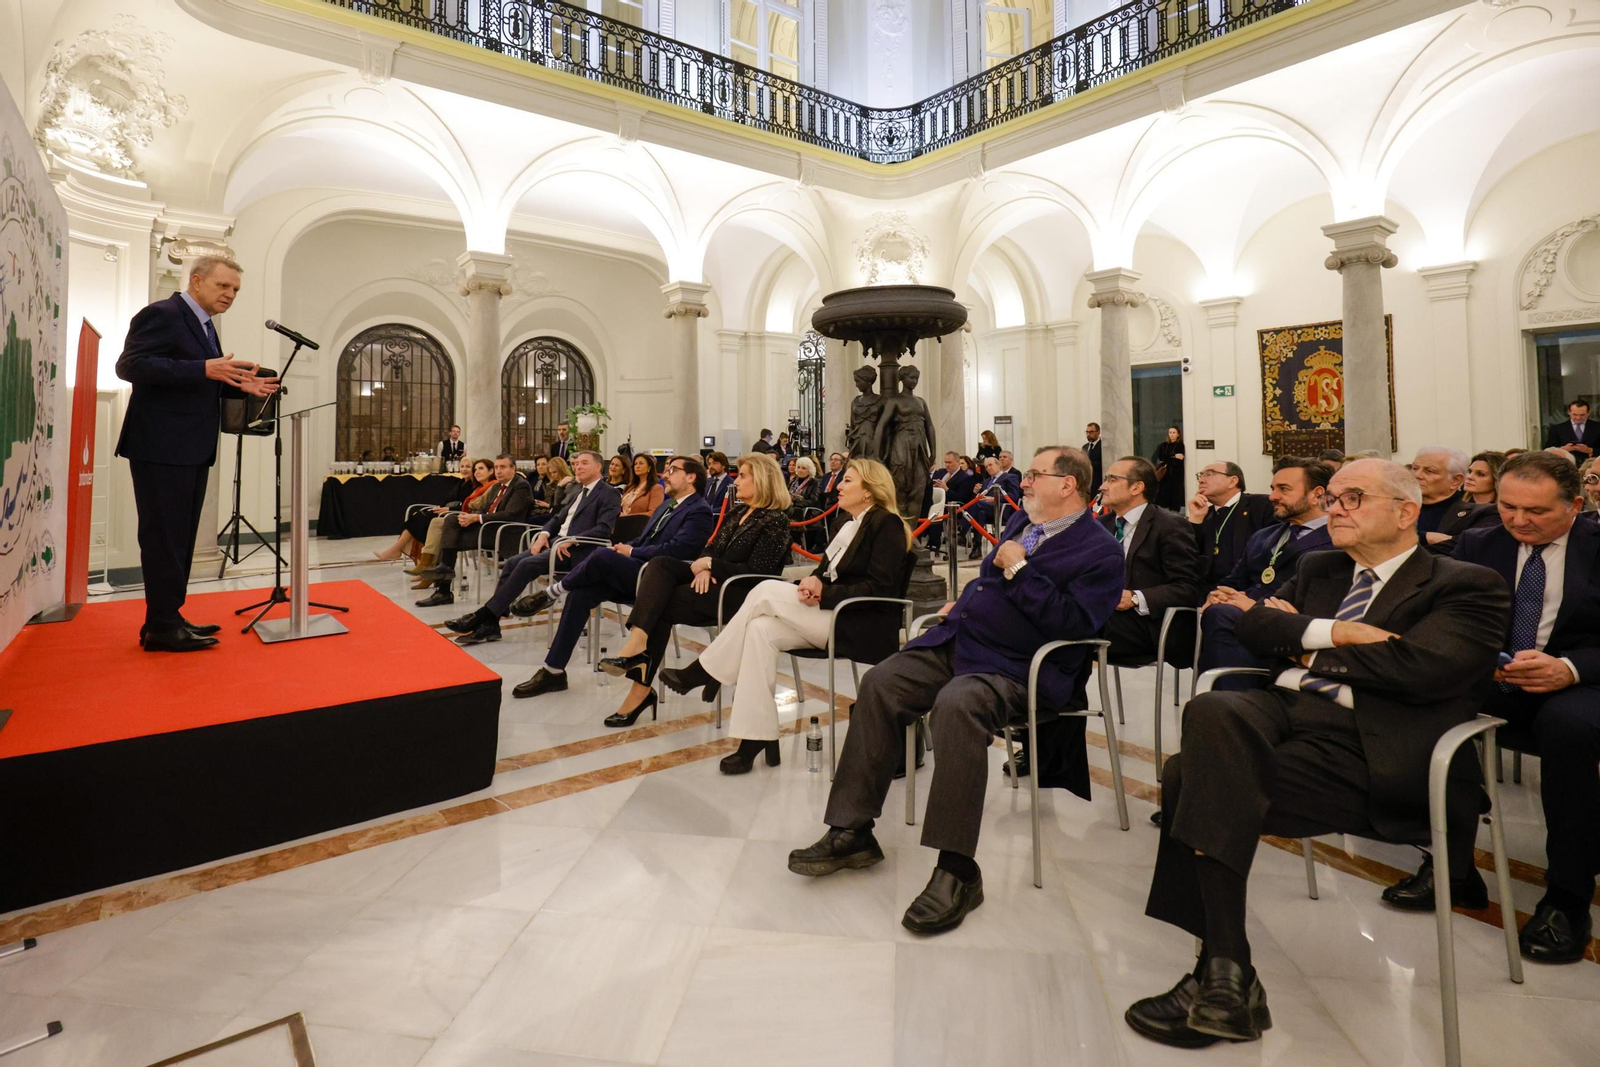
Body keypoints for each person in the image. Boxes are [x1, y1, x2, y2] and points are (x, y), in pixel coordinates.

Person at [1125, 459, 1510, 1049]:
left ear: (1407, 513)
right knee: (1211, 710)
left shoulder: (1465, 583)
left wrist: (1302, 639)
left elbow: (1422, 671)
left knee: (1187, 775)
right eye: (1332, 497)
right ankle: (1227, 972)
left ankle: (1222, 974)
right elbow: (1249, 627)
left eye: (1354, 497)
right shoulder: (1321, 566)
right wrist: (1340, 632)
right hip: (1282, 718)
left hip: (1375, 745)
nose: (1335, 508)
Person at [784, 447, 1123, 934]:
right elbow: (985, 585)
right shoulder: (1019, 526)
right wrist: (958, 606)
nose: (1024, 483)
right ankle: (852, 829)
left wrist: (1020, 570)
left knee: (957, 705)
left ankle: (958, 869)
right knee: (881, 682)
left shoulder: (1100, 550)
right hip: (962, 641)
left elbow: (1073, 623)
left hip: (1017, 666)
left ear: (1067, 485)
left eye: (1033, 474)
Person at [1384, 452, 1600, 962]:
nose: (1520, 521)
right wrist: (1480, 657)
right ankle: (1454, 867)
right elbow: (1446, 615)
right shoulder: (1481, 544)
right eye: (1508, 507)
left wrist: (1568, 668)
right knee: (1427, 704)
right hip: (1497, 674)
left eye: (1537, 512)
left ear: (1575, 503)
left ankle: (1568, 897)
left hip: (1578, 681)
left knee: (1571, 730)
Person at [661, 459, 910, 768]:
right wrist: (809, 584)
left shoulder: (887, 524)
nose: (839, 487)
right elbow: (824, 573)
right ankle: (756, 737)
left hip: (858, 622)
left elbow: (879, 588)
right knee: (760, 630)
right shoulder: (845, 524)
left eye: (847, 481)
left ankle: (704, 671)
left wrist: (823, 592)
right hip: (828, 614)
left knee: (764, 589)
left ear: (870, 491)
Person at [115, 255, 279, 652]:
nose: (230, 295)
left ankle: (168, 616)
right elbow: (130, 366)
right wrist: (204, 370)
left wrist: (240, 385)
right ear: (197, 280)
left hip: (190, 447)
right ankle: (161, 627)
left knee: (181, 538)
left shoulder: (205, 327)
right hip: (161, 446)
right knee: (163, 537)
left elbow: (202, 376)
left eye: (236, 290)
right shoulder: (164, 313)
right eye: (223, 286)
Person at [595, 454, 794, 730]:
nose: (737, 482)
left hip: (738, 594)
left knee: (659, 606)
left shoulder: (775, 521)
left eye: (744, 476)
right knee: (660, 564)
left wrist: (712, 565)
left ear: (763, 480)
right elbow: (710, 548)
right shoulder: (738, 512)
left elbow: (759, 572)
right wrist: (704, 568)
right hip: (712, 580)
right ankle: (636, 649)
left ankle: (638, 682)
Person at [510, 456, 715, 697]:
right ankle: (553, 671)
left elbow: (678, 549)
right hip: (637, 570)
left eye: (672, 470)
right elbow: (643, 539)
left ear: (691, 477)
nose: (665, 474)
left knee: (601, 556)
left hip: (658, 580)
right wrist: (624, 547)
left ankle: (551, 593)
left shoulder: (699, 511)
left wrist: (632, 552)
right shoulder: (667, 505)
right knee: (581, 593)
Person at [444, 450, 622, 645]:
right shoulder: (580, 492)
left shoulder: (609, 493)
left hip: (578, 550)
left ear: (598, 466)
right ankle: (491, 625)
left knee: (526, 565)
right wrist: (544, 534)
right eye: (577, 463)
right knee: (512, 563)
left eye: (584, 463)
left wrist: (573, 539)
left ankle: (483, 616)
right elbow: (557, 519)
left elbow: (604, 529)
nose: (578, 467)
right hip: (556, 544)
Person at [1196, 456, 1333, 682]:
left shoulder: (1336, 540)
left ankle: (1230, 702)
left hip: (1291, 637)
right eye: (1272, 488)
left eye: (1284, 489)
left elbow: (1318, 604)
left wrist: (1256, 608)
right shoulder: (1264, 536)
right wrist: (1218, 594)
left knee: (1222, 615)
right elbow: (1234, 581)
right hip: (1243, 628)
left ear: (1317, 494)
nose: (1272, 496)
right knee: (1218, 610)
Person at [1099, 455, 1204, 662]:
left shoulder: (1169, 525)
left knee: (1064, 628)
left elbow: (1187, 588)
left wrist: (1135, 597)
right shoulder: (1101, 526)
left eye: (1112, 479)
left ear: (1136, 487)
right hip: (1103, 614)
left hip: (1147, 624)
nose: (1102, 486)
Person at [415, 454, 534, 605]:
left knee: (449, 539)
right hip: (488, 528)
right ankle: (444, 575)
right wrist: (469, 518)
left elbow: (510, 514)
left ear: (513, 468)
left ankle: (443, 590)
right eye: (496, 467)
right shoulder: (496, 486)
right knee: (451, 521)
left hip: (505, 532)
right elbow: (484, 509)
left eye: (502, 467)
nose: (498, 471)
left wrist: (477, 518)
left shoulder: (520, 485)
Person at [375, 454, 482, 563]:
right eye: (462, 466)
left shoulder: (474, 486)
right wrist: (440, 507)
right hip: (446, 511)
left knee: (422, 518)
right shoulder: (460, 483)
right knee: (417, 515)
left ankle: (399, 550)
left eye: (467, 467)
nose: (464, 469)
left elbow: (467, 505)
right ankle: (411, 554)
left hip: (456, 514)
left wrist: (447, 510)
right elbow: (448, 499)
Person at [1186, 461, 1274, 590]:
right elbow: (1188, 560)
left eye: (1209, 474)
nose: (1201, 480)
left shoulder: (1261, 506)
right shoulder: (1204, 514)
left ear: (1232, 481)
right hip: (1208, 592)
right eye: (1200, 475)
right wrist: (1195, 520)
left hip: (1249, 589)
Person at [1410, 446, 1498, 553]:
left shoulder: (1481, 513)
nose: (1417, 475)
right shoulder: (1396, 506)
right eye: (1415, 468)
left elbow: (1465, 547)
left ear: (1455, 481)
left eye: (1429, 471)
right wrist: (1425, 537)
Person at [1152, 425, 1187, 512]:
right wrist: (1173, 456)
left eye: (1174, 433)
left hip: (1176, 474)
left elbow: (1179, 460)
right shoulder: (1163, 445)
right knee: (1163, 492)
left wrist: (1169, 458)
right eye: (1170, 433)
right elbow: (1159, 457)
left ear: (1178, 434)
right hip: (1165, 473)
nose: (1171, 435)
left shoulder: (1180, 445)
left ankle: (1174, 511)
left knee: (1175, 493)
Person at [621, 452, 665, 517]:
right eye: (635, 464)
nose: (637, 466)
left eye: (641, 463)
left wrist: (629, 517)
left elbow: (654, 513)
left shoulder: (656, 488)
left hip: (641, 525)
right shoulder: (630, 487)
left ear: (649, 468)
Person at [1084, 422, 1104, 489]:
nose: (1088, 434)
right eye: (1087, 432)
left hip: (1098, 482)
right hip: (1087, 483)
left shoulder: (1103, 446)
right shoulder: (1085, 447)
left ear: (1098, 432)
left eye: (1091, 432)